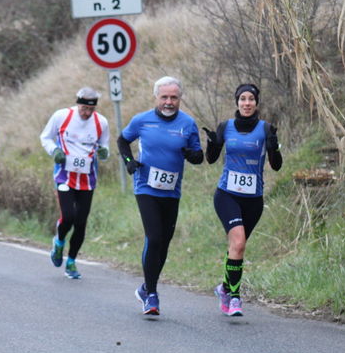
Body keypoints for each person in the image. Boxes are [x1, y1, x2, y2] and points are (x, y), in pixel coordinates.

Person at [117, 76, 203, 315]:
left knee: (164, 243)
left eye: (173, 97)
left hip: (172, 190)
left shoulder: (188, 123)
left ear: (180, 99)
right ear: (156, 97)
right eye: (164, 97)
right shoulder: (142, 120)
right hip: (146, 187)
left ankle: (146, 287)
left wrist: (192, 156)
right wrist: (128, 162)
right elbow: (123, 140)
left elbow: (198, 154)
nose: (168, 102)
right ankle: (152, 296)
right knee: (153, 238)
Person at [203, 83, 282, 316]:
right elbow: (211, 159)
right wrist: (213, 143)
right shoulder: (225, 127)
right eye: (242, 99)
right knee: (238, 243)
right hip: (227, 194)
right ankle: (235, 297)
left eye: (251, 99)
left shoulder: (266, 128)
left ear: (257, 103)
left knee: (236, 248)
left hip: (253, 199)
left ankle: (224, 288)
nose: (247, 103)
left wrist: (273, 148)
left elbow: (276, 166)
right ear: (237, 102)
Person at [40, 87, 110, 279]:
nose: (86, 113)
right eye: (83, 109)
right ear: (78, 103)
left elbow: (105, 146)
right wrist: (55, 151)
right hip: (64, 176)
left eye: (90, 110)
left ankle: (71, 262)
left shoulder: (101, 122)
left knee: (81, 223)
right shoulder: (62, 116)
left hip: (88, 179)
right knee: (68, 216)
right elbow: (45, 137)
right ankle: (59, 241)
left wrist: (104, 152)